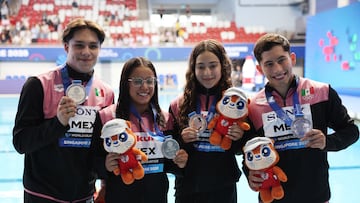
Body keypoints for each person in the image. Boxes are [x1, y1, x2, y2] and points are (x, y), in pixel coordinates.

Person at [242, 33, 359, 203]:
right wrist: (249, 174)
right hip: (274, 197)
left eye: (282, 60)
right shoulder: (253, 107)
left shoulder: (322, 93)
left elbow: (351, 131)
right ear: (259, 69)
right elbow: (247, 150)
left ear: (292, 58)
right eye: (269, 64)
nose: (277, 69)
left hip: (315, 195)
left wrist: (327, 142)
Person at [12, 18, 115, 202]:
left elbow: (103, 148)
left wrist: (105, 184)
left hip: (84, 196)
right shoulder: (38, 85)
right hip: (42, 195)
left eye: (93, 46)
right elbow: (21, 143)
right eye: (79, 45)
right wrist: (58, 123)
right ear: (66, 47)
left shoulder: (106, 93)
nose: (86, 52)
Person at [91, 57, 188, 203]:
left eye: (150, 81)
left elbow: (169, 164)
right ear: (125, 83)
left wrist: (179, 163)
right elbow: (91, 161)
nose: (145, 87)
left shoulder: (165, 119)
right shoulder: (107, 117)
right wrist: (104, 165)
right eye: (137, 81)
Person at [169, 39, 246, 203]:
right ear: (193, 69)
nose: (207, 72)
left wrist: (240, 137)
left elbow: (241, 149)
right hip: (188, 188)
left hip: (223, 187)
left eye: (213, 65)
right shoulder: (179, 104)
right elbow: (170, 146)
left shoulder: (236, 103)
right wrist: (181, 140)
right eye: (201, 67)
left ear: (222, 66)